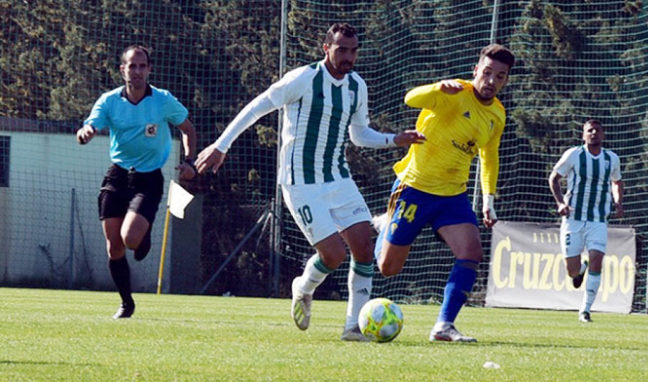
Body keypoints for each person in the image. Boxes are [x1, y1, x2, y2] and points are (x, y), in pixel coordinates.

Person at [194, 23, 424, 341]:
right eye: (341, 49)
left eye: (353, 50)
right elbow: (258, 106)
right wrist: (221, 145)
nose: (348, 56)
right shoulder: (304, 78)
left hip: (338, 178)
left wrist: (393, 139)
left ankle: (353, 327)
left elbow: (358, 135)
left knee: (363, 248)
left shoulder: (357, 86)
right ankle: (302, 287)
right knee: (333, 255)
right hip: (299, 181)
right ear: (325, 47)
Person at [373, 44, 515, 342]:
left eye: (499, 76)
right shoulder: (453, 93)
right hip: (414, 188)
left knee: (472, 251)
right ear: (476, 70)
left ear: (505, 80)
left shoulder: (497, 115)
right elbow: (410, 98)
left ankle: (444, 325)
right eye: (487, 73)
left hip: (453, 196)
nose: (491, 81)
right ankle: (385, 226)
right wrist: (437, 86)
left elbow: (490, 157)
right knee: (388, 268)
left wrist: (488, 200)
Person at [77, 45, 197, 319]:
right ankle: (126, 303)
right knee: (114, 246)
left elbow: (188, 129)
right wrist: (86, 132)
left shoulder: (162, 100)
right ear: (123, 70)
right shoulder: (109, 101)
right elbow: (91, 124)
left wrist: (190, 163)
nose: (138, 71)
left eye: (143, 66)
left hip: (149, 178)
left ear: (149, 70)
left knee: (130, 239)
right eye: (132, 66)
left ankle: (142, 236)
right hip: (118, 175)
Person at [548, 119, 624, 323]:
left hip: (598, 220)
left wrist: (618, 202)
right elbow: (554, 178)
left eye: (598, 130)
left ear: (603, 135)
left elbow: (617, 182)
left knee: (597, 261)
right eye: (589, 130)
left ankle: (585, 310)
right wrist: (560, 203)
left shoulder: (612, 158)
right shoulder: (574, 155)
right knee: (571, 270)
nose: (594, 133)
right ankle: (580, 269)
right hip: (573, 218)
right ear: (583, 135)